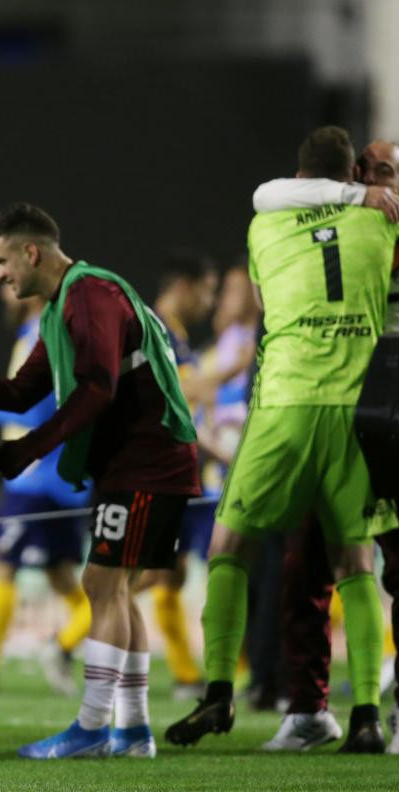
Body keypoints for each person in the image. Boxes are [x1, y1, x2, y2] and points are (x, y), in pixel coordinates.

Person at [165, 126, 399, 753]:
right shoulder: (382, 220)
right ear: (352, 176)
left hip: (284, 405)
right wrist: (360, 203)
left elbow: (262, 284)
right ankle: (367, 712)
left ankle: (217, 694)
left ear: (298, 176)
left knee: (230, 548)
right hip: (354, 412)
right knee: (354, 563)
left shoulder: (266, 227)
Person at [0, 202, 200, 760]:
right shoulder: (61, 308)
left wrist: (29, 448)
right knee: (115, 590)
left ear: (32, 252)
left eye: (3, 262)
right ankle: (133, 729)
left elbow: (98, 388)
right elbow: (17, 392)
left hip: (149, 461)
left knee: (101, 586)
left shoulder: (89, 294)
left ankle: (94, 727)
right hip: (138, 463)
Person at [252, 139, 399, 754]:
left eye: (386, 174)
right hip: (332, 415)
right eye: (365, 172)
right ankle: (307, 710)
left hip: (398, 422)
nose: (374, 182)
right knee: (304, 568)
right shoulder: (324, 236)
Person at [0, 286, 91, 699]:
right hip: (58, 476)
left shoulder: (42, 334)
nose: (2, 289)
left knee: (1, 567)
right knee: (65, 580)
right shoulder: (46, 330)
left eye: (7, 278)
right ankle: (62, 645)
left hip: (37, 477)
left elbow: (30, 409)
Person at [142, 252, 218, 699]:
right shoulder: (158, 327)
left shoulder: (180, 336)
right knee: (144, 572)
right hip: (157, 469)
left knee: (170, 574)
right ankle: (71, 642)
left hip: (181, 469)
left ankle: (188, 675)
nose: (208, 302)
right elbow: (186, 390)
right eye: (206, 291)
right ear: (184, 287)